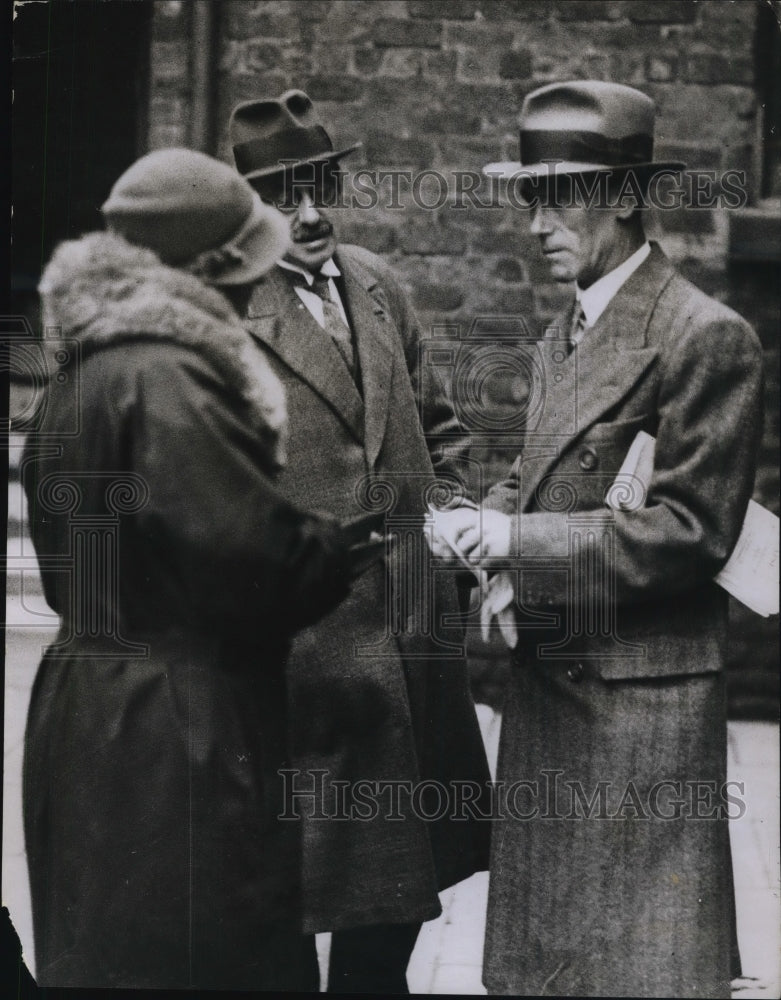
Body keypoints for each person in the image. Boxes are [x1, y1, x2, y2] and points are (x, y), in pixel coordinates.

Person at [21, 148, 385, 991]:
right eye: (242, 271)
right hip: (181, 728)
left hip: (88, 713)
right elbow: (247, 557)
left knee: (108, 956)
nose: (254, 291)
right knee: (208, 958)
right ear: (207, 273)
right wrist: (331, 549)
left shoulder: (83, 371)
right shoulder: (170, 376)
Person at [436, 81, 764, 998]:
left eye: (561, 196)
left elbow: (690, 531)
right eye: (530, 197)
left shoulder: (706, 337)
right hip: (559, 684)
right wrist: (481, 527)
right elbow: (539, 473)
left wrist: (514, 539)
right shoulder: (569, 327)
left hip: (639, 708)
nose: (539, 222)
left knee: (637, 968)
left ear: (624, 196)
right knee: (552, 968)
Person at [228, 90, 491, 993]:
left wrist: (451, 523)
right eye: (280, 194)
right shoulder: (223, 316)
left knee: (401, 898)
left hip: (410, 642)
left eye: (319, 185)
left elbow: (440, 427)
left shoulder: (378, 285)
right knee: (294, 894)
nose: (307, 213)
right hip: (305, 662)